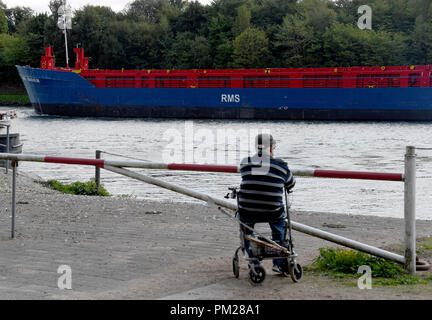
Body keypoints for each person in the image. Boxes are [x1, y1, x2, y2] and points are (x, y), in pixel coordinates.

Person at [238, 133, 296, 273]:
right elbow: (291, 184)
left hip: (248, 210)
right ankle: (279, 261)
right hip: (272, 210)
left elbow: (245, 176)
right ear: (271, 147)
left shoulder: (245, 163)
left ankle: (253, 259)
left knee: (247, 228)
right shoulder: (281, 166)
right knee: (278, 226)